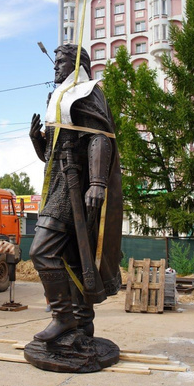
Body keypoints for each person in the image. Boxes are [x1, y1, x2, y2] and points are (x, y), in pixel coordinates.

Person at [28, 44, 123, 342]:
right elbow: (52, 155)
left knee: (41, 251)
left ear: (77, 64)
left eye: (61, 62)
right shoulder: (56, 97)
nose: (55, 67)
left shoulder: (87, 91)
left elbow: (100, 137)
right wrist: (37, 141)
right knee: (71, 260)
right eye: (55, 62)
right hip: (57, 182)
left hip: (73, 189)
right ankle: (83, 324)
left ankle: (63, 317)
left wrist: (97, 182)